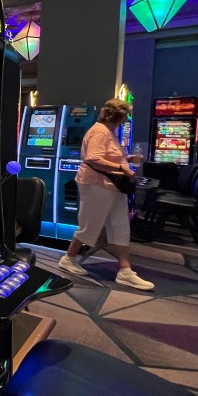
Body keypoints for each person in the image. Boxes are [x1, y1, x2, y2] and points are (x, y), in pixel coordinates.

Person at [59, 98, 154, 290]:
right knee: (90, 225)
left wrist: (128, 159)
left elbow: (108, 156)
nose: (127, 118)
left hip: (112, 186)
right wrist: (122, 167)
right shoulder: (100, 132)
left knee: (120, 227)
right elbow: (93, 158)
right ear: (119, 116)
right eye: (126, 115)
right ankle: (68, 258)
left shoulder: (109, 132)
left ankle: (125, 271)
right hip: (96, 184)